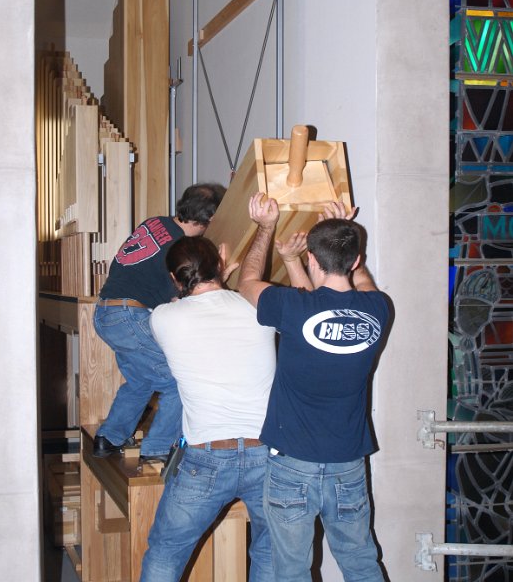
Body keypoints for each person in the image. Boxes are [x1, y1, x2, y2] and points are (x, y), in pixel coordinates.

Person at [238, 193, 390, 582]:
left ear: (311, 259)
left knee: (291, 571)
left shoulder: (293, 308)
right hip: (348, 465)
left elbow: (247, 282)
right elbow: (365, 284)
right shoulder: (378, 310)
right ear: (355, 260)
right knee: (360, 564)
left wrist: (266, 228)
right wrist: (348, 232)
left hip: (292, 464)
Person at [139, 235, 276, 582]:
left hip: (205, 457)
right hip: (269, 454)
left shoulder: (163, 318)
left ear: (174, 278)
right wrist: (228, 283)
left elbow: (198, 311)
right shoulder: (260, 307)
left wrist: (218, 281)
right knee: (272, 554)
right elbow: (230, 305)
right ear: (219, 264)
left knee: (166, 553)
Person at [93, 183, 226, 461]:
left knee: (140, 381)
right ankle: (158, 450)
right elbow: (183, 299)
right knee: (179, 381)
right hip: (129, 316)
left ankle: (109, 438)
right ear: (209, 220)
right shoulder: (179, 249)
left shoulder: (155, 223)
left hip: (107, 311)